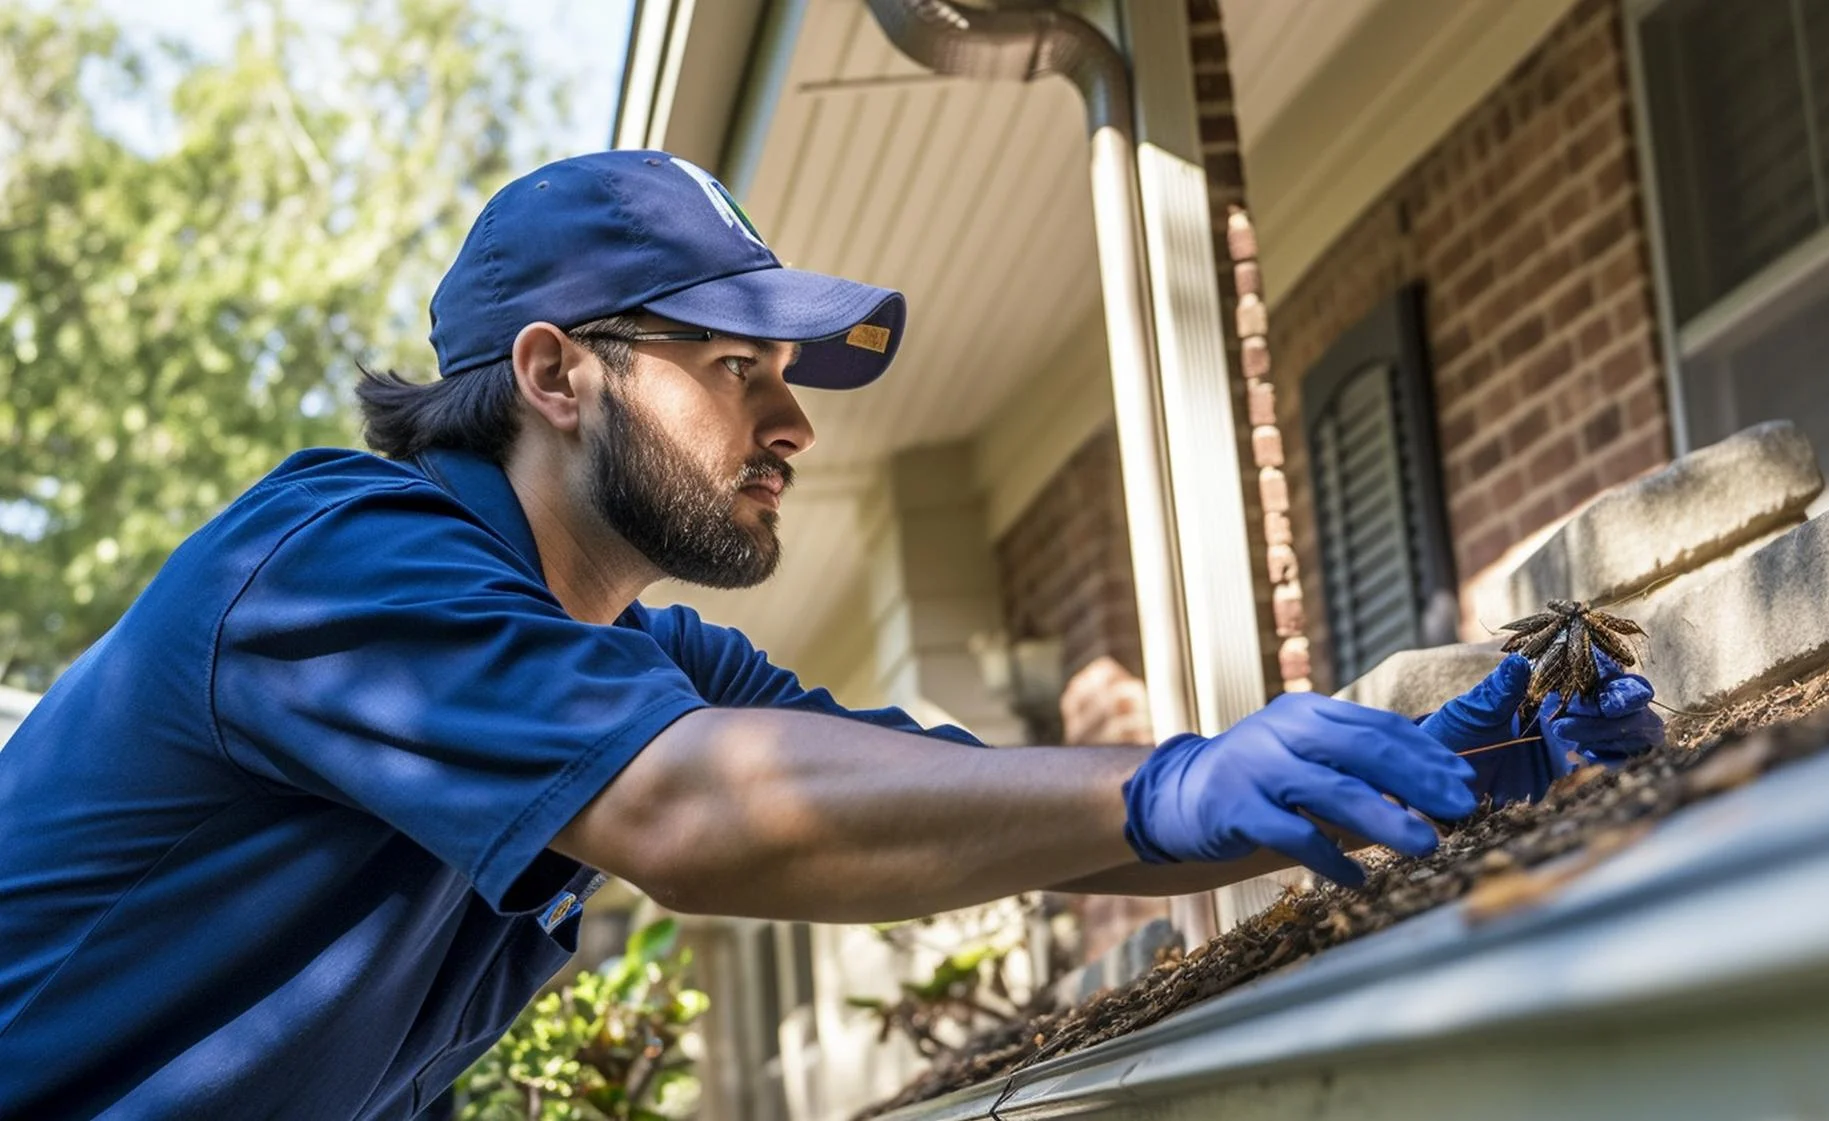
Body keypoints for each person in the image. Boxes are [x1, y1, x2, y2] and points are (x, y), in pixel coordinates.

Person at [0, 151, 1663, 1118]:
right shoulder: (335, 566)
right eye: (740, 370)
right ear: (555, 374)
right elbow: (699, 816)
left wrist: (1402, 785)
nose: (793, 426)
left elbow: (949, 801)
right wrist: (1166, 786)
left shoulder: (644, 665)